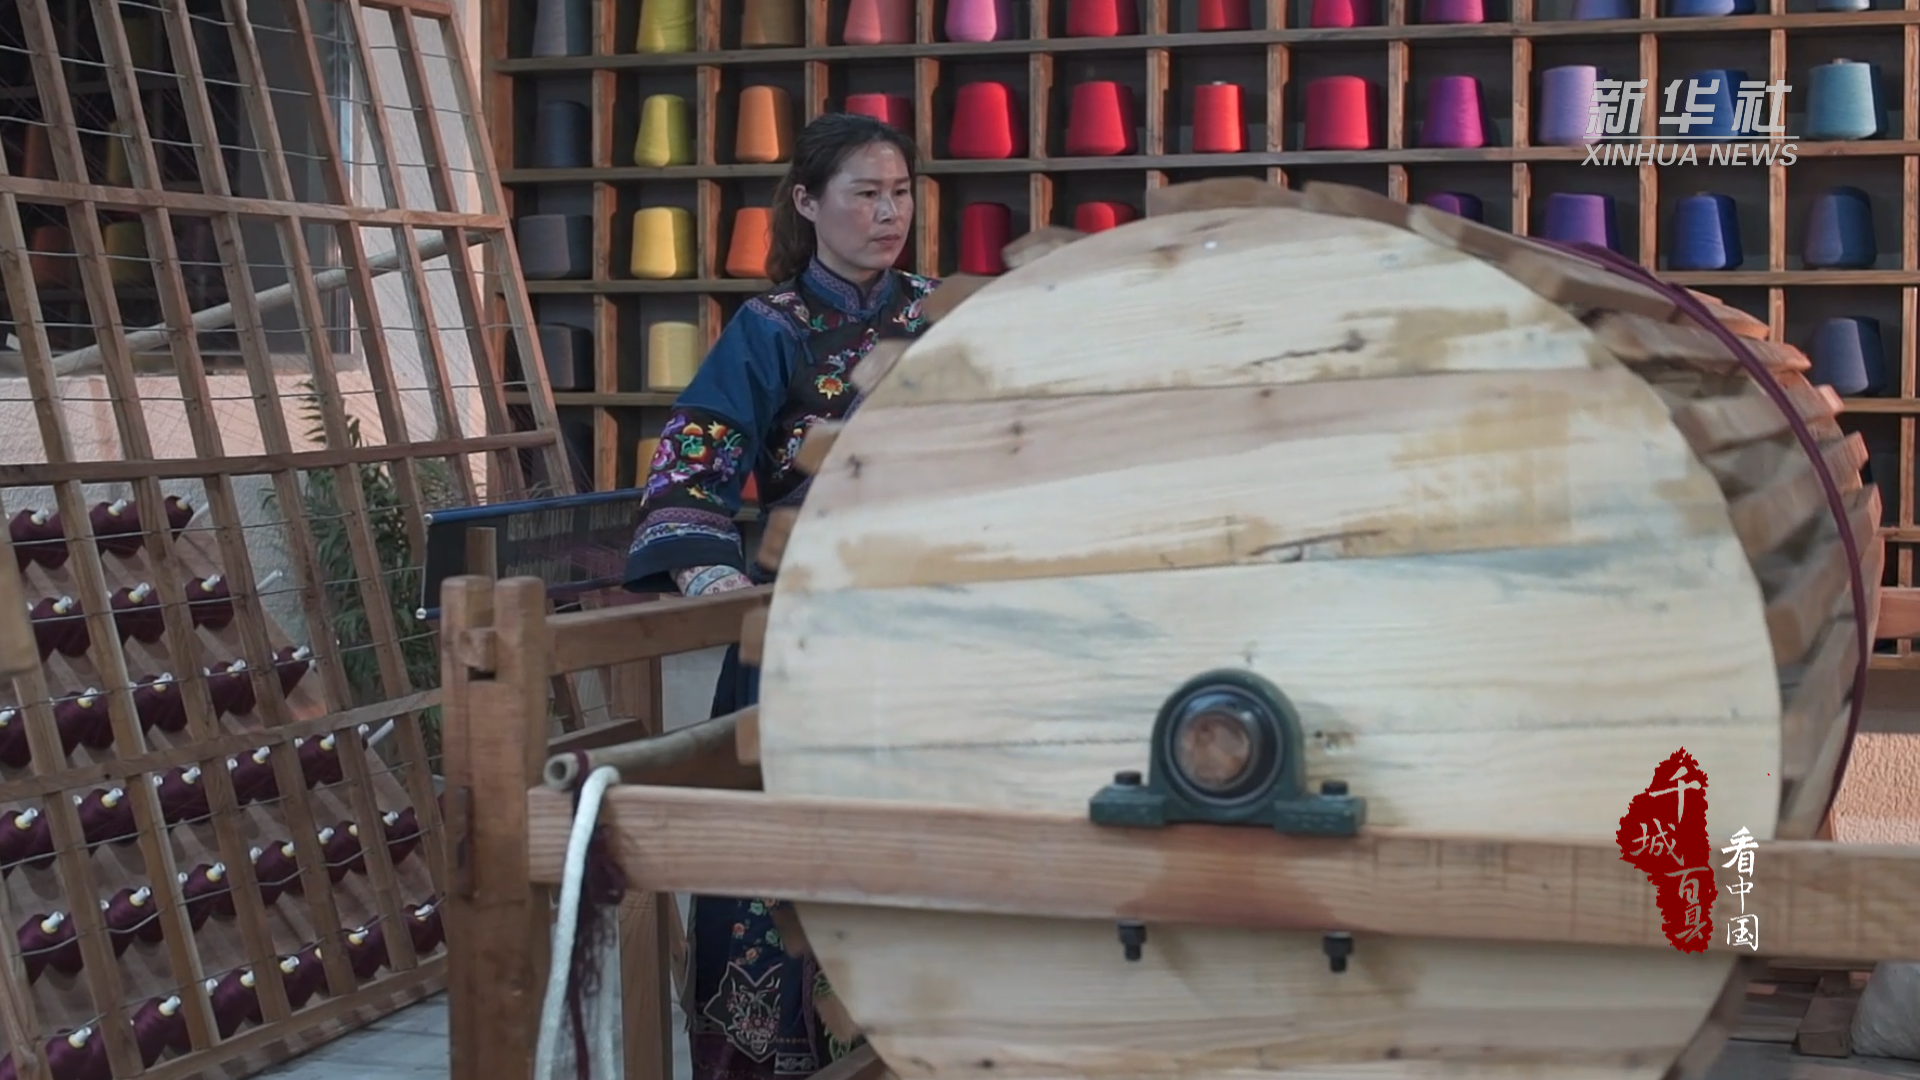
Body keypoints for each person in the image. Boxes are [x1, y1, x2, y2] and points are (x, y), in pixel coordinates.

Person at [622, 112, 939, 1080]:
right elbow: (688, 470)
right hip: (803, 636)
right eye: (865, 193)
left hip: (936, 634)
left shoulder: (946, 318)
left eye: (900, 193)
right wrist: (710, 571)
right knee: (777, 866)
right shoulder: (770, 330)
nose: (888, 213)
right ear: (806, 202)